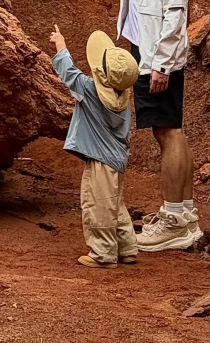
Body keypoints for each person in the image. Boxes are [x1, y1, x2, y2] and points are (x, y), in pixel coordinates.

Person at [21, 0, 200, 251]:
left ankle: (176, 221)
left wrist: (162, 64)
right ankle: (184, 213)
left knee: (167, 130)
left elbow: (176, 11)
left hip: (157, 52)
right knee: (170, 126)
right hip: (144, 43)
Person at [50, 24, 140, 268]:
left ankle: (103, 253)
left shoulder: (90, 90)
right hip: (117, 161)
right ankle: (127, 248)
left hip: (100, 161)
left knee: (98, 205)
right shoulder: (123, 98)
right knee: (115, 204)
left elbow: (69, 73)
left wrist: (60, 43)